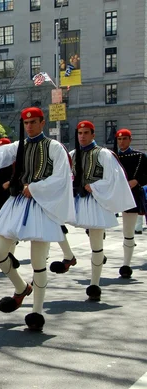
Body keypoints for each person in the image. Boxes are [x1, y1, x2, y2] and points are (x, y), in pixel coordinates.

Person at [0, 107, 75, 332]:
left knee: (38, 262)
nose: (29, 126)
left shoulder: (54, 147)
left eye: (33, 122)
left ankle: (36, 312)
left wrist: (36, 188)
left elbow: (62, 176)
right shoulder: (19, 146)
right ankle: (20, 287)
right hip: (17, 204)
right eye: (26, 123)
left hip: (42, 205)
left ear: (42, 122)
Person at [50, 121, 134, 300]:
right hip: (75, 200)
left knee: (96, 246)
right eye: (80, 133)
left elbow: (113, 178)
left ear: (93, 134)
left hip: (95, 201)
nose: (82, 136)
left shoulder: (103, 154)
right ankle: (68, 256)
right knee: (53, 221)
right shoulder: (72, 154)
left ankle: (94, 285)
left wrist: (94, 186)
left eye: (86, 133)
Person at [114, 128, 147, 278]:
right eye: (119, 139)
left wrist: (137, 180)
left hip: (132, 195)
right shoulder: (111, 156)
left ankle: (126, 265)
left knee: (128, 232)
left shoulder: (140, 156)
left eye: (124, 139)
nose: (121, 142)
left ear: (130, 140)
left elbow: (145, 174)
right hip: (112, 196)